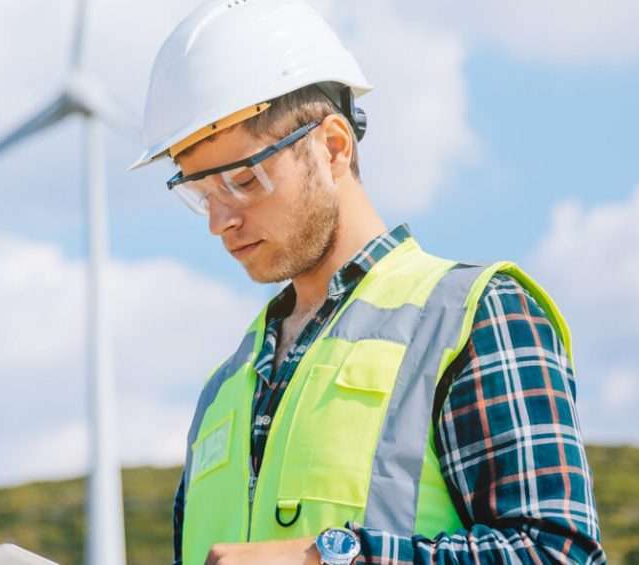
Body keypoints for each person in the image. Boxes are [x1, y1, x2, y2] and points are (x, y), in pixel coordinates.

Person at [127, 1, 605, 563]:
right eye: (201, 194)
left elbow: (557, 554)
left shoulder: (472, 316)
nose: (219, 221)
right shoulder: (223, 391)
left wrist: (326, 558)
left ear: (332, 146)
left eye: (243, 180)